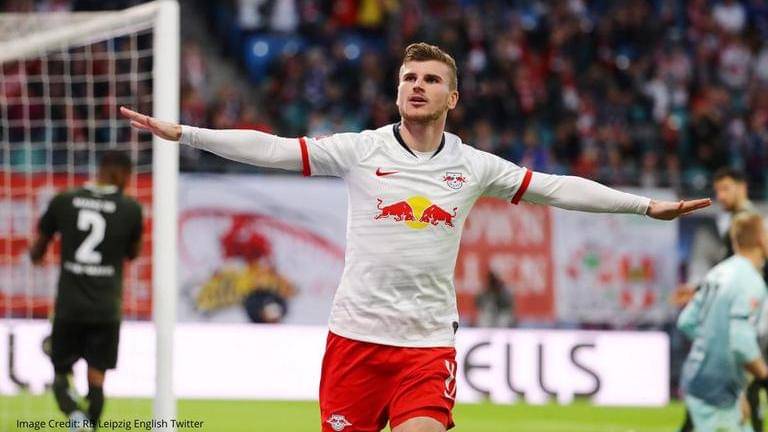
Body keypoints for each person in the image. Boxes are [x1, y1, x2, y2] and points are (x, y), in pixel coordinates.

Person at [121, 42, 710, 432]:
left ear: (452, 97)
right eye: (409, 78)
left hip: (426, 346)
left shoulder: (473, 165)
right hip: (354, 340)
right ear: (397, 91)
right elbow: (272, 149)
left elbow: (556, 188)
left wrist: (644, 205)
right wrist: (187, 134)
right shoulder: (360, 150)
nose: (417, 86)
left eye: (431, 79)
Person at [29, 151, 143, 432]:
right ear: (122, 174)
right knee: (97, 379)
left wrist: (38, 256)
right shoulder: (130, 209)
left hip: (70, 306)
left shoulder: (65, 200)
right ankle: (88, 423)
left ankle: (75, 418)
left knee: (61, 373)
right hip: (106, 309)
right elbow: (133, 254)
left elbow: (38, 246)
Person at [674, 168, 765, 432]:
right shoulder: (739, 231)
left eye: (726, 189)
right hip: (741, 329)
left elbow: (688, 320)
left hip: (746, 324)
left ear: (742, 187)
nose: (720, 196)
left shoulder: (746, 226)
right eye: (718, 190)